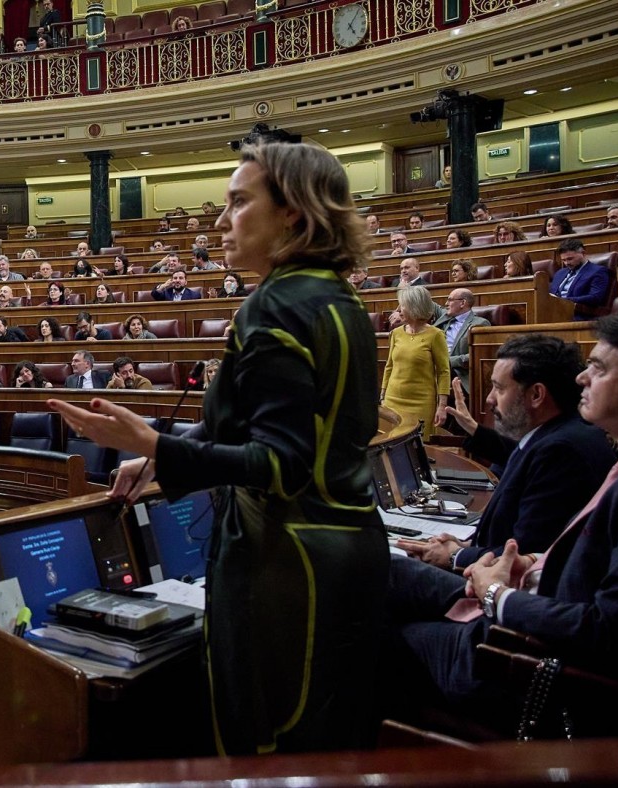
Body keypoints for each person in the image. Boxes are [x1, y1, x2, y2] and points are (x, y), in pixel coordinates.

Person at [48, 142, 386, 755]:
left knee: (264, 748)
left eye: (238, 202)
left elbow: (280, 466)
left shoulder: (274, 307)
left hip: (285, 566)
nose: (220, 221)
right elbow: (275, 431)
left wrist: (154, 442)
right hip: (346, 548)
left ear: (292, 212)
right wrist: (159, 454)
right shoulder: (337, 296)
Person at [386, 310, 618, 713]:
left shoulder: (576, 453)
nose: (582, 379)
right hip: (527, 598)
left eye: (600, 368)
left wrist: (496, 594)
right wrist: (530, 562)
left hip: (525, 652)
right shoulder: (611, 456)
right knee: (385, 571)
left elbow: (609, 629)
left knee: (378, 625)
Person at [397, 334, 615, 572]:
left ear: (536, 395)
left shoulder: (560, 451)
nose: (489, 399)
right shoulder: (559, 434)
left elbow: (523, 552)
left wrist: (457, 555)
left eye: (499, 388)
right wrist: (465, 545)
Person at [382, 285, 451, 438]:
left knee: (419, 449)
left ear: (415, 308)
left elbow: (443, 372)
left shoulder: (436, 335)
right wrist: (383, 394)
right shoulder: (396, 333)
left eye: (403, 306)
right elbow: (389, 366)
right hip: (392, 400)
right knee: (390, 445)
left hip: (421, 403)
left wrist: (442, 406)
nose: (399, 310)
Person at [432, 288, 490, 398]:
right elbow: (425, 302)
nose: (446, 303)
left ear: (462, 303)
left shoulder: (480, 323)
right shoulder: (445, 317)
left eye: (450, 300)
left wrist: (449, 361)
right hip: (435, 367)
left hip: (457, 373)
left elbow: (479, 356)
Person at [549, 237, 613, 319]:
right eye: (563, 260)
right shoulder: (559, 273)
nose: (566, 263)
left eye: (570, 259)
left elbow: (595, 297)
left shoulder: (597, 271)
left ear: (583, 253)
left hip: (579, 316)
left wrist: (563, 301)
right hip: (555, 315)